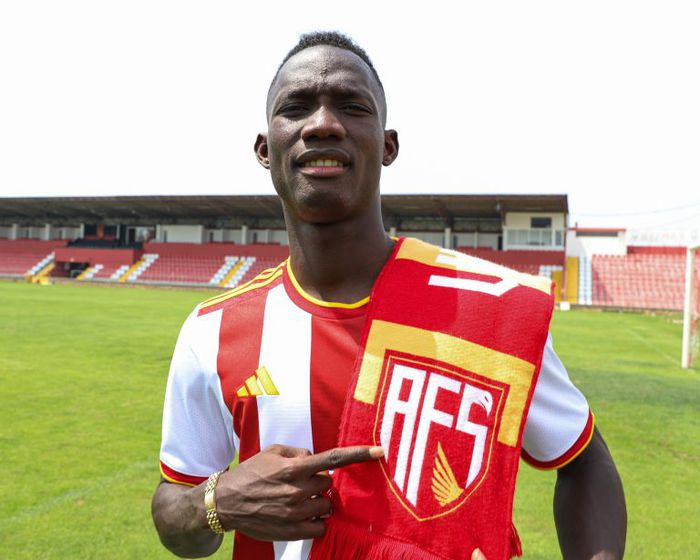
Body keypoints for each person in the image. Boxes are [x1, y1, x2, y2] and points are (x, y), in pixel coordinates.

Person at [151, 31, 626, 559]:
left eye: (352, 107)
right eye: (296, 107)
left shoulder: (491, 309)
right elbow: (175, 510)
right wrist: (216, 502)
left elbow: (583, 458)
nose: (323, 123)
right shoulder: (212, 332)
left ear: (388, 145)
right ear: (266, 149)